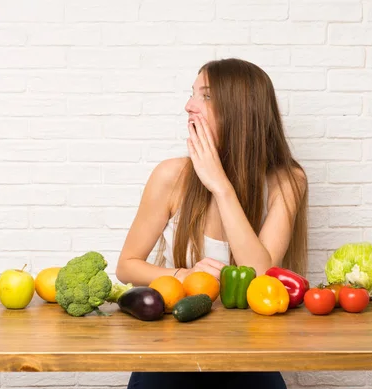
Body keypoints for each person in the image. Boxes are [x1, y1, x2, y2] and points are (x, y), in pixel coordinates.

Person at [116, 58, 309, 389]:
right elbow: (126, 267)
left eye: (205, 96)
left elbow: (259, 276)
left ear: (239, 110)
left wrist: (221, 187)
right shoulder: (171, 176)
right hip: (170, 351)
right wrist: (183, 276)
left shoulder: (287, 181)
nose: (189, 105)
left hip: (250, 354)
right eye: (192, 94)